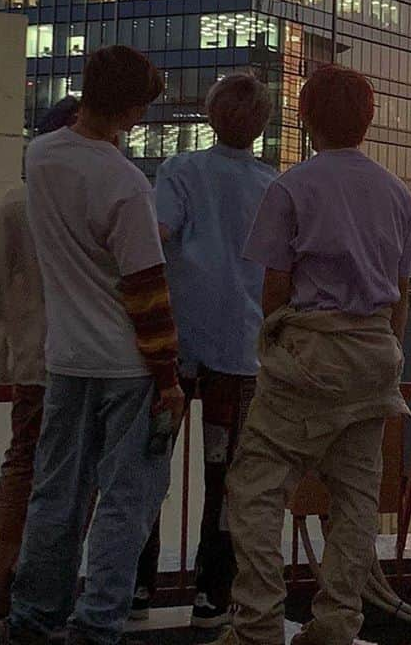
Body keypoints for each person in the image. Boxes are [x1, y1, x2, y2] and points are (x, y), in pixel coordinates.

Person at [216, 65, 411, 645]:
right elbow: (402, 294)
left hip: (310, 350)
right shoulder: (397, 195)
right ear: (369, 118)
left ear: (305, 119)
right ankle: (336, 622)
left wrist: (278, 341)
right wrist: (388, 352)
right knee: (357, 498)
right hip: (375, 355)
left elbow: (275, 286)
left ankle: (257, 621)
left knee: (256, 488)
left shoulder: (290, 188)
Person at [4, 45, 185, 645]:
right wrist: (168, 379)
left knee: (56, 491)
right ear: (132, 111)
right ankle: (98, 621)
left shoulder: (40, 157)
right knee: (125, 499)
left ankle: (33, 614)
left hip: (65, 358)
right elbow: (146, 291)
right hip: (127, 366)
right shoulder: (127, 184)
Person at [131, 73, 276, 629]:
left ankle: (137, 584)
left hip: (177, 346)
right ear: (260, 127)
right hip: (241, 351)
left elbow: (157, 237)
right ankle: (212, 593)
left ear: (212, 116)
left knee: (149, 464)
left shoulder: (181, 170)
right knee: (228, 477)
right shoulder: (272, 187)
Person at [0, 95, 80, 629]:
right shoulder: (89, 196)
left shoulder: (19, 203)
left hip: (34, 357)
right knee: (76, 472)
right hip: (85, 358)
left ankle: (1, 583)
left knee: (24, 465)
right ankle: (51, 582)